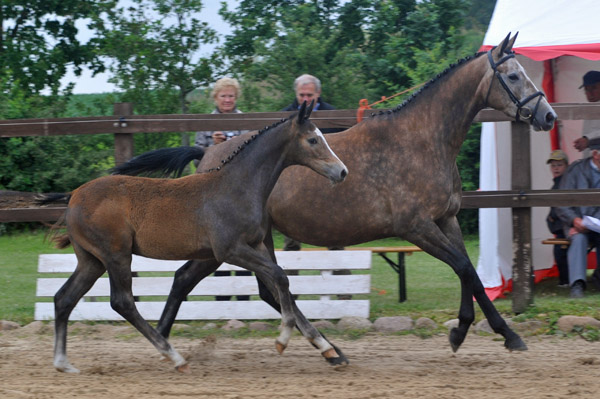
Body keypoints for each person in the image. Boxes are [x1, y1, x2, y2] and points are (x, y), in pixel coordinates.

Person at [280, 74, 350, 298]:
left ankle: (345, 295)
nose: (305, 99)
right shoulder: (285, 116)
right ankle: (290, 297)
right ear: (296, 94)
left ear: (318, 94)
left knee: (335, 237)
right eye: (302, 95)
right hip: (295, 191)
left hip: (326, 190)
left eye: (310, 95)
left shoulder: (333, 115)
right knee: (291, 241)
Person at [195, 77, 251, 301]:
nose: (227, 100)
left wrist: (238, 143)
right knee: (217, 241)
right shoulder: (207, 122)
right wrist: (214, 147)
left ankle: (245, 298)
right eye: (223, 96)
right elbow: (196, 155)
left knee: (244, 240)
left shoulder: (244, 120)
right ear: (216, 98)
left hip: (239, 189)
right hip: (213, 189)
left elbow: (253, 154)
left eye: (231, 96)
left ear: (236, 98)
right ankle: (222, 300)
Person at [556, 142, 600, 298]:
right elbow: (561, 203)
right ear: (595, 154)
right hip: (578, 225)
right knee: (579, 239)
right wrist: (574, 220)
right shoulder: (575, 170)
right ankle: (577, 284)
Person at [545, 149, 569, 287]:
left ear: (566, 166)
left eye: (559, 165)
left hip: (565, 226)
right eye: (553, 165)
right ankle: (565, 280)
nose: (556, 168)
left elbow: (560, 210)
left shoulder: (565, 184)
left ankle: (565, 280)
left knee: (560, 250)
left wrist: (552, 217)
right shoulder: (556, 184)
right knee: (559, 249)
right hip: (560, 227)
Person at [572, 71, 600, 158]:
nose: (590, 93)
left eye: (594, 88)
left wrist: (588, 140)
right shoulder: (590, 107)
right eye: (587, 89)